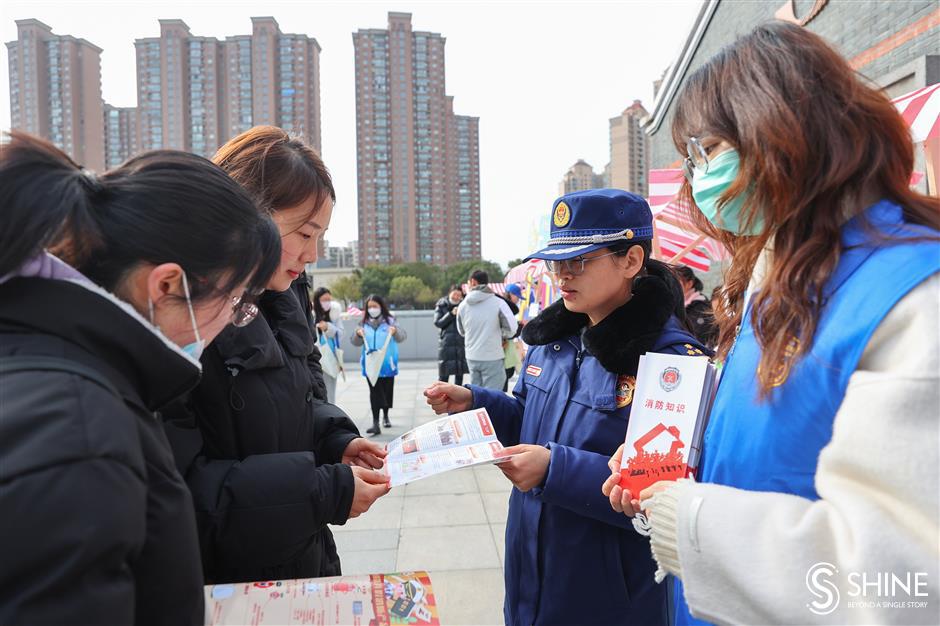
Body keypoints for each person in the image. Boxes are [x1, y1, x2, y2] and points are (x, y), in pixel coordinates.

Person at [602, 22, 940, 626]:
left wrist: (691, 520)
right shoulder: (779, 278)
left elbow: (910, 586)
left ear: (784, 125)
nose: (698, 175)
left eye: (708, 149)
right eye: (690, 159)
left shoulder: (914, 295)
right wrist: (667, 466)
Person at [0, 131, 280, 624]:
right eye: (236, 301)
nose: (236, 319)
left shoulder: (59, 365)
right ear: (167, 284)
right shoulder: (81, 432)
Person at [424, 189, 711, 626]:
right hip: (531, 582)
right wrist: (477, 403)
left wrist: (555, 470)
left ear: (631, 260)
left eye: (579, 261)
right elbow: (526, 420)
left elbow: (660, 491)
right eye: (557, 263)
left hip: (608, 600)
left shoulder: (671, 363)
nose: (562, 276)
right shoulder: (552, 342)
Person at [162, 126, 390, 585]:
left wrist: (335, 440)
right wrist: (316, 492)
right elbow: (176, 490)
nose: (312, 253)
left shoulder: (284, 294)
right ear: (247, 215)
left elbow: (301, 394)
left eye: (320, 236)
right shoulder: (179, 313)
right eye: (305, 233)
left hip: (296, 554)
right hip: (221, 580)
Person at [352, 294, 407, 435]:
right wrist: (358, 334)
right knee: (374, 393)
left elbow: (402, 337)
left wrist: (395, 332)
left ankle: (386, 416)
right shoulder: (363, 323)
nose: (372, 309)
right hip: (371, 365)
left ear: (381, 306)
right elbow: (354, 341)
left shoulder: (390, 321)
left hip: (387, 364)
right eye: (369, 307)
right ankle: (375, 423)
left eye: (375, 306)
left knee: (387, 392)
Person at [456, 269, 518, 390]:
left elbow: (461, 331)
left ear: (473, 282)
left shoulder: (462, 305)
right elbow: (512, 328)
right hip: (493, 355)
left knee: (476, 394)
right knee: (493, 396)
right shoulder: (498, 302)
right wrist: (502, 334)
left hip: (471, 355)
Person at [313, 286, 345, 403]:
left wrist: (328, 327)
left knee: (330, 391)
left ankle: (331, 415)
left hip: (331, 358)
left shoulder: (334, 314)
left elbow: (341, 333)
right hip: (316, 359)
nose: (327, 303)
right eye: (324, 300)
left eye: (329, 300)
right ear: (317, 300)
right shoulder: (311, 314)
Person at [434, 285, 469, 386]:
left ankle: (457, 398)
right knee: (444, 375)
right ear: (450, 293)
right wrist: (451, 314)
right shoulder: (441, 304)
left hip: (460, 343)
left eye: (459, 295)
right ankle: (441, 396)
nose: (456, 297)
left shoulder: (464, 305)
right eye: (455, 294)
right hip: (446, 344)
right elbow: (438, 323)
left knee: (459, 374)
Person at [674, 265, 716, 347]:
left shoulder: (701, 307)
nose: (672, 287)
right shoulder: (679, 304)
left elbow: (697, 338)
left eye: (676, 283)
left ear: (689, 284)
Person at [501, 282, 524, 391]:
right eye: (517, 297)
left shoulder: (502, 305)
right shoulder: (506, 307)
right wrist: (520, 327)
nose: (518, 300)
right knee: (505, 376)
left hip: (502, 347)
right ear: (511, 295)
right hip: (502, 349)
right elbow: (509, 332)